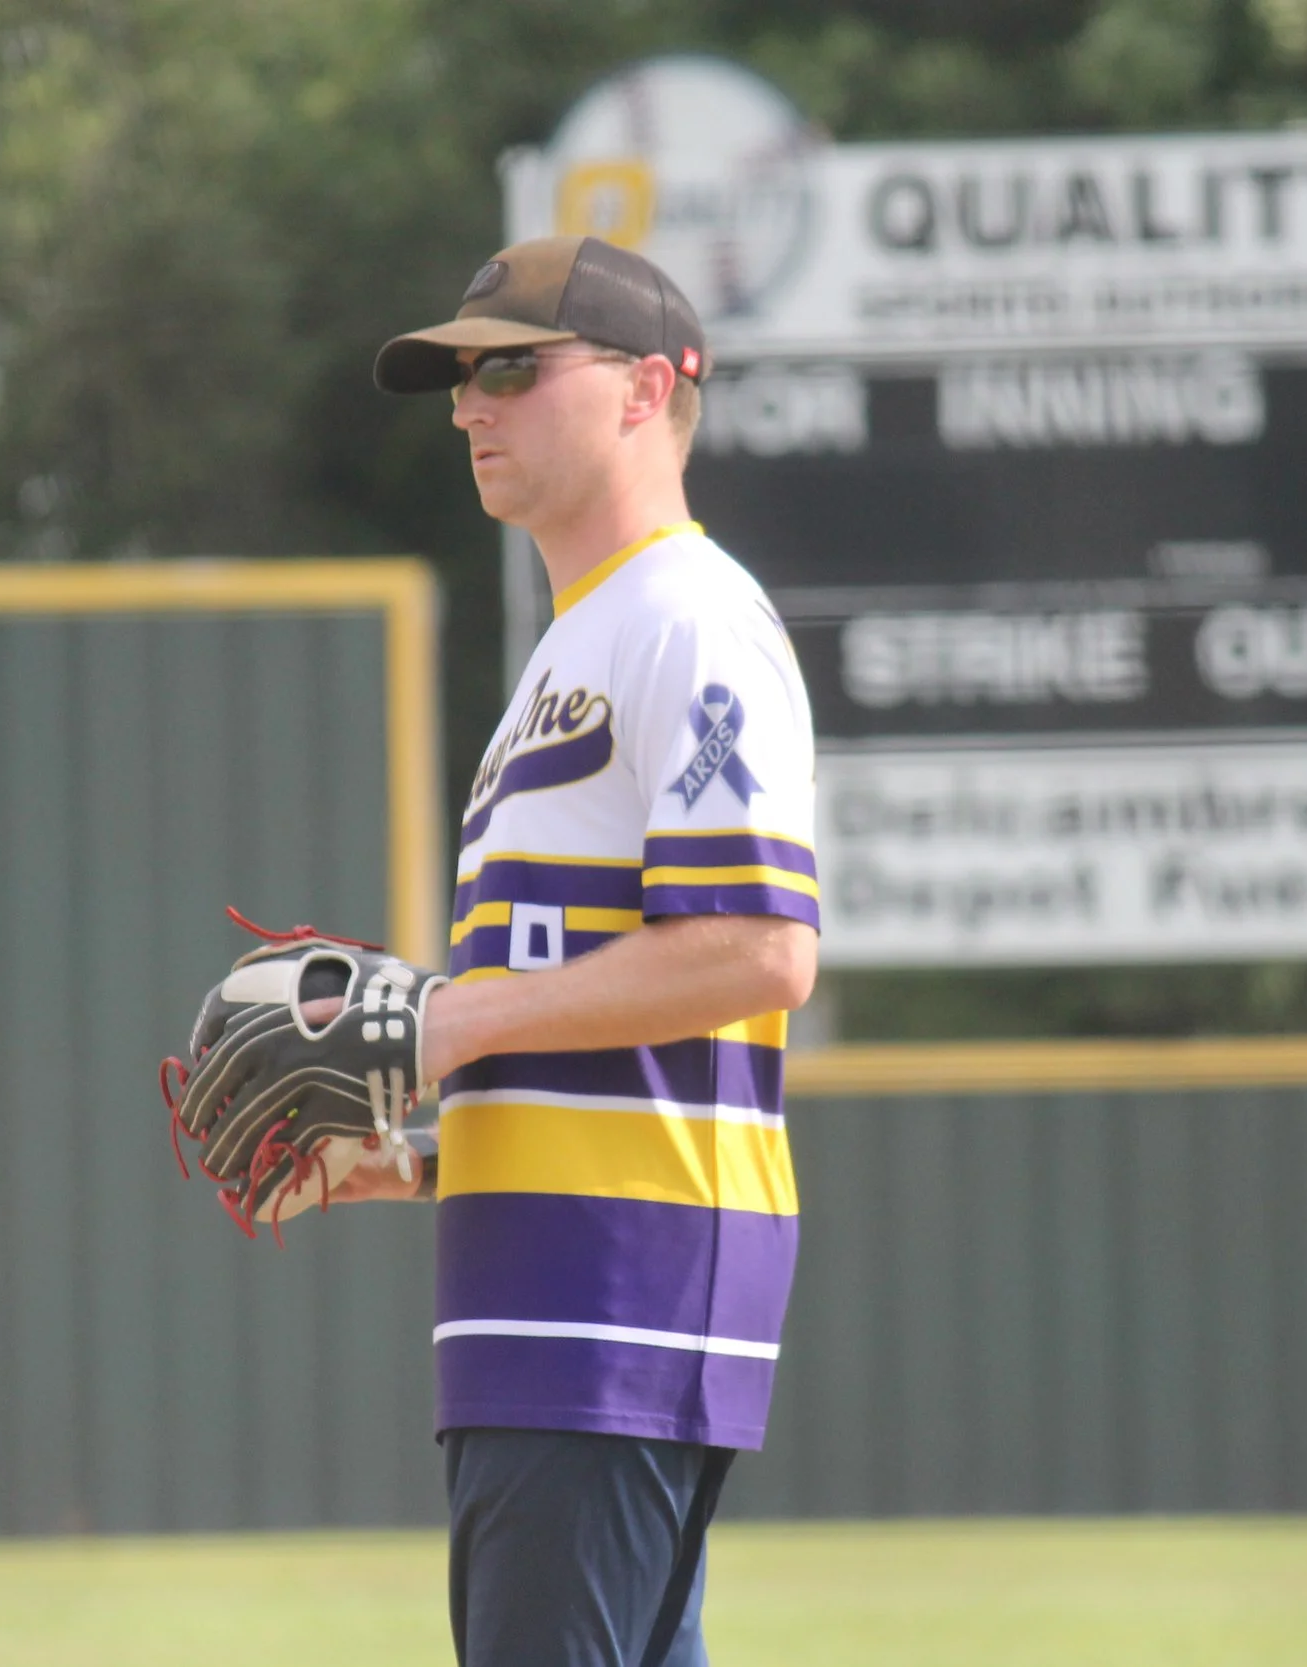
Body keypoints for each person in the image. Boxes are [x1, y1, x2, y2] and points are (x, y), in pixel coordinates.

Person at [341, 234, 821, 1667]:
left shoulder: (687, 616)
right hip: (550, 1301)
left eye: (510, 367)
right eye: (456, 379)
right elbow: (609, 1015)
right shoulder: (573, 650)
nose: (468, 404)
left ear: (645, 389)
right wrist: (432, 1151)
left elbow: (755, 948)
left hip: (611, 1308)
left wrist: (453, 1021)